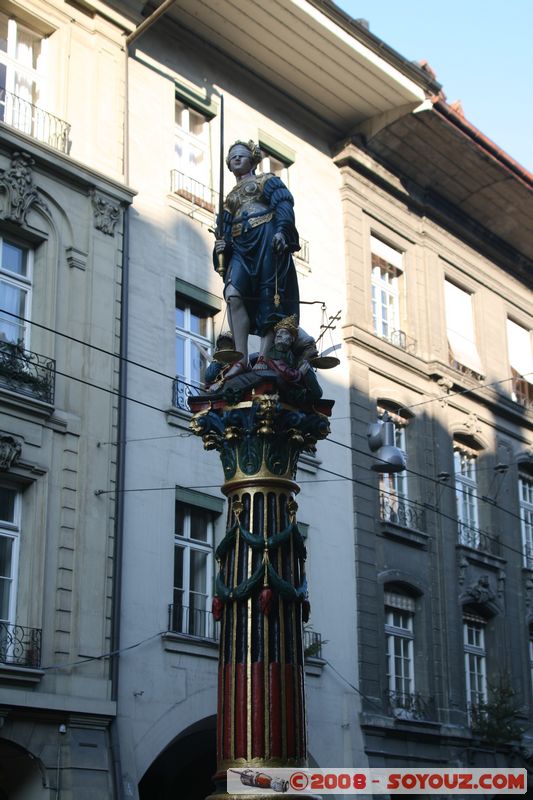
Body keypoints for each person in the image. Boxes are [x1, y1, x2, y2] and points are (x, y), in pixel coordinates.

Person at [214, 140, 300, 379]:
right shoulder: (229, 198)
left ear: (252, 159)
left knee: (268, 296)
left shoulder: (266, 181)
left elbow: (283, 203)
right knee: (232, 294)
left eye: (241, 156)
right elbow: (224, 231)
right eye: (233, 158)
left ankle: (264, 355)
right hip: (241, 246)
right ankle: (240, 358)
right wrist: (222, 246)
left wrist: (282, 230)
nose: (237, 159)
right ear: (229, 165)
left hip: (265, 237)